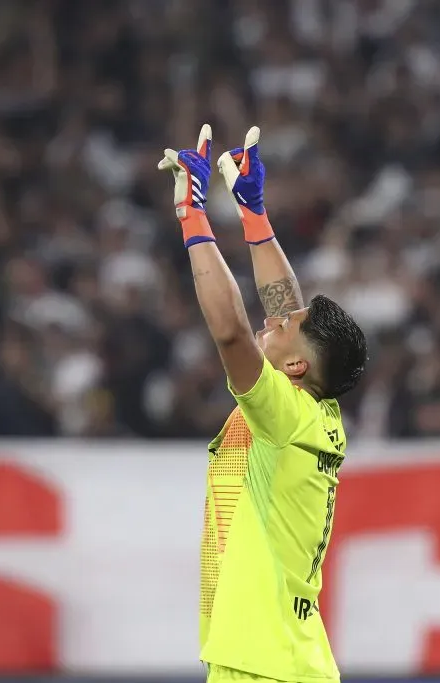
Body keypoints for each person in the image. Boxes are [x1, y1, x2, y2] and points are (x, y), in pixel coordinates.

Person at [158, 125, 368, 683]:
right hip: (285, 659)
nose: (272, 319)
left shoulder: (282, 415)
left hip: (261, 666)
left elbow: (229, 331)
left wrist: (192, 215)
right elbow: (286, 308)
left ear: (295, 367)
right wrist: (254, 215)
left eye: (283, 327)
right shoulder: (313, 411)